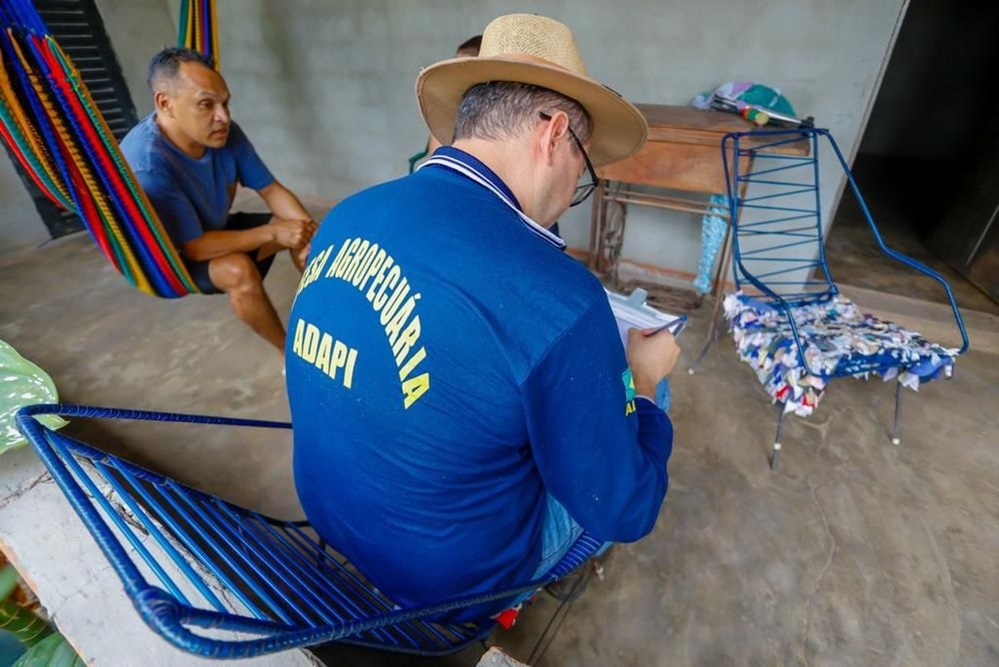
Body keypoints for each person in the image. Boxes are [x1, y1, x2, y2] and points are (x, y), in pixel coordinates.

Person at [287, 14, 679, 620]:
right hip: (452, 584)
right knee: (650, 385)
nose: (577, 184)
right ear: (552, 135)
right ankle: (529, 584)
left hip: (330, 514)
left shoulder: (348, 213)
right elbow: (626, 510)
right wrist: (645, 382)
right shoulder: (560, 298)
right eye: (584, 169)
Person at [121, 47, 317, 354]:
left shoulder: (224, 134)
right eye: (206, 104)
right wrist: (274, 233)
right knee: (239, 270)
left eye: (225, 103)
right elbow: (194, 247)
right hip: (174, 257)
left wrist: (308, 236)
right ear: (165, 103)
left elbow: (271, 190)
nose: (223, 117)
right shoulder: (147, 166)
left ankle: (329, 321)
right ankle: (289, 355)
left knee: (302, 232)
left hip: (218, 228)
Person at [425, 34, 481, 155]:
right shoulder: (448, 113)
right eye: (455, 65)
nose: (458, 73)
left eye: (467, 67)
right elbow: (437, 156)